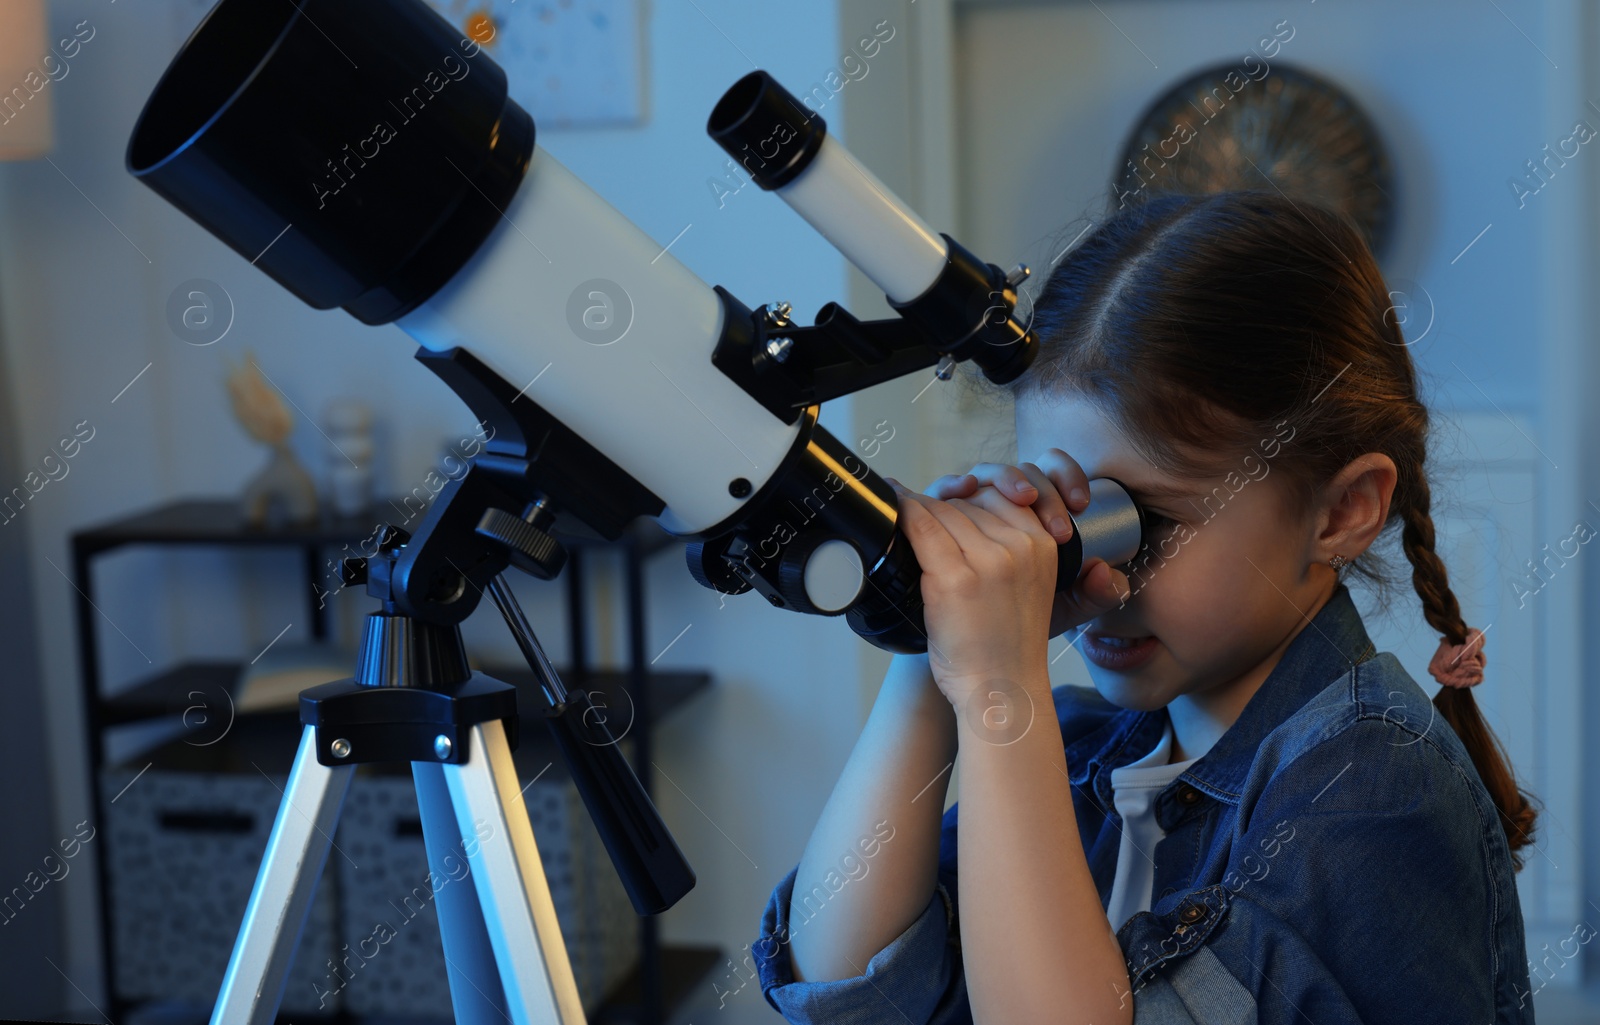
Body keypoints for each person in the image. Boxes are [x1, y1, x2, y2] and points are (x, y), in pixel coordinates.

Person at [748, 190, 1540, 1023]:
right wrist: (930, 649)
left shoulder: (1375, 781)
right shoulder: (1084, 749)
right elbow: (851, 986)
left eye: (1144, 521)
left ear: (1340, 512)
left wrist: (995, 688)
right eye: (1060, 514)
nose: (1100, 572)